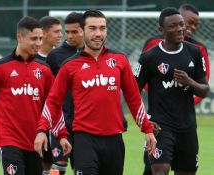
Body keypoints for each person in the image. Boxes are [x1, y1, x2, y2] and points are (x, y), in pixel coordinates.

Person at [34, 9, 157, 175]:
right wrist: (42, 130)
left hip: (115, 140)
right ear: (83, 31)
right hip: (84, 140)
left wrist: (147, 129)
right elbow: (53, 101)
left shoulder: (119, 60)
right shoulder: (70, 65)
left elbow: (133, 97)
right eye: (92, 28)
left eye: (102, 28)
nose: (98, 33)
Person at [0, 16, 69, 175]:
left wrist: (61, 135)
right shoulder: (0, 68)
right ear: (19, 37)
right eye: (33, 39)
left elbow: (53, 105)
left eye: (40, 38)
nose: (38, 43)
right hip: (8, 141)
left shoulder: (44, 70)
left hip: (36, 142)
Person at [135, 7, 209, 175]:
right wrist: (144, 121)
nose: (180, 29)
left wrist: (189, 82)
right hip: (160, 126)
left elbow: (204, 90)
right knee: (160, 171)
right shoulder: (149, 57)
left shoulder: (194, 52)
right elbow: (133, 92)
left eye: (181, 24)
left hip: (187, 126)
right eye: (173, 26)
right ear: (161, 30)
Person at [45, 12, 84, 175]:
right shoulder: (55, 56)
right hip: (61, 120)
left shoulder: (95, 55)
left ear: (84, 30)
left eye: (74, 32)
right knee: (58, 165)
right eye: (67, 32)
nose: (69, 36)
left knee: (82, 168)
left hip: (85, 123)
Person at [36, 16, 63, 175]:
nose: (61, 35)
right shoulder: (32, 58)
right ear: (44, 33)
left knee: (53, 164)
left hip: (57, 120)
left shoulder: (62, 58)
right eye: (57, 32)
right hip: (36, 120)